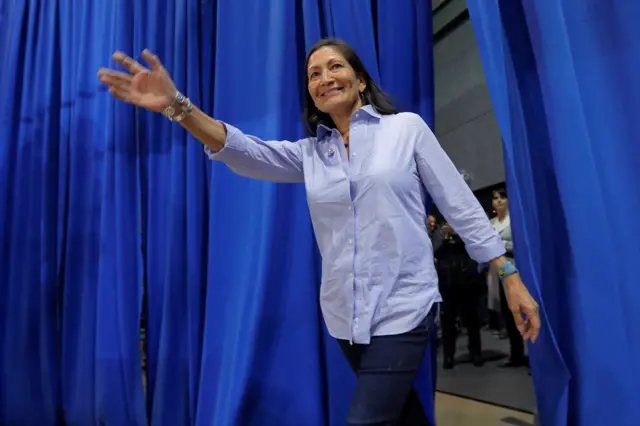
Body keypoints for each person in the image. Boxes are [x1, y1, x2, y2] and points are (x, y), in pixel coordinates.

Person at [98, 38, 540, 426]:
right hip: (344, 315)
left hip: (404, 306)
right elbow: (242, 150)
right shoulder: (312, 154)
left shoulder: (405, 129)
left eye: (335, 67)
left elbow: (458, 202)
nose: (324, 77)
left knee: (366, 419)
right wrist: (177, 106)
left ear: (360, 80)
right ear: (311, 91)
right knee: (401, 414)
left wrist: (508, 276)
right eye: (314, 73)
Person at [436, 222, 485, 369]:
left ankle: (476, 352)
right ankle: (448, 355)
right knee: (448, 323)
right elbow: (436, 253)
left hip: (467, 281)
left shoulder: (466, 231)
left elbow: (474, 249)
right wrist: (445, 239)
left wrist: (458, 233)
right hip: (447, 283)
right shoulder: (441, 233)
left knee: (472, 320)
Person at [487, 188, 528, 368]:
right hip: (498, 274)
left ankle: (533, 357)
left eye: (502, 197)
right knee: (508, 314)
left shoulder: (515, 220)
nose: (499, 201)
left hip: (514, 269)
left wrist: (501, 244)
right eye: (495, 198)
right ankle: (516, 354)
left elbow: (521, 244)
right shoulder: (491, 223)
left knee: (523, 311)